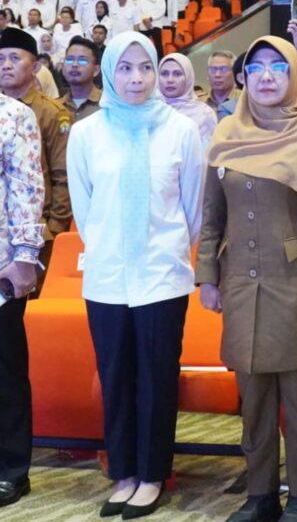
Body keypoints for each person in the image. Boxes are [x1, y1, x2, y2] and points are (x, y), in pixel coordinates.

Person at [196, 35, 297, 522]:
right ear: (244, 78)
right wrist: (206, 274)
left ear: (295, 76)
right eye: (257, 67)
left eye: (278, 67)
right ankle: (260, 494)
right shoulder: (227, 133)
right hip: (241, 284)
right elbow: (211, 215)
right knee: (253, 399)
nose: (266, 76)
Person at [67, 32, 204, 519]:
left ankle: (151, 475)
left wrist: (161, 248)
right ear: (109, 72)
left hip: (162, 276)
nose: (136, 78)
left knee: (156, 378)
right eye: (124, 68)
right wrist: (110, 247)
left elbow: (193, 208)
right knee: (116, 377)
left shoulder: (181, 130)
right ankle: (122, 473)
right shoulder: (86, 133)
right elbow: (84, 210)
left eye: (144, 67)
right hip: (106, 277)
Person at [0, 92, 44, 508]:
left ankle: (11, 470)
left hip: (2, 264)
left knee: (4, 372)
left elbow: (26, 184)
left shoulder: (14, 115)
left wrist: (26, 255)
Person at [0, 28, 71, 281]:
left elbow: (63, 176)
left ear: (35, 66)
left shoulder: (52, 113)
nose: (6, 65)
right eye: (0, 59)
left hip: (36, 233)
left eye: (15, 58)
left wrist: (52, 230)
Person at [158, 53, 217, 151]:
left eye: (177, 74)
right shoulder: (151, 111)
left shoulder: (204, 113)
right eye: (164, 73)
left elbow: (211, 155)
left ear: (188, 77)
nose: (170, 80)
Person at [56, 36, 102, 122]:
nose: (74, 65)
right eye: (69, 60)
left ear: (96, 70)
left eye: (82, 60)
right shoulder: (54, 107)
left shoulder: (108, 105)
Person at [205, 50, 240, 121]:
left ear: (234, 72)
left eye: (224, 69)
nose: (217, 74)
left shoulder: (245, 99)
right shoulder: (199, 103)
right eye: (213, 69)